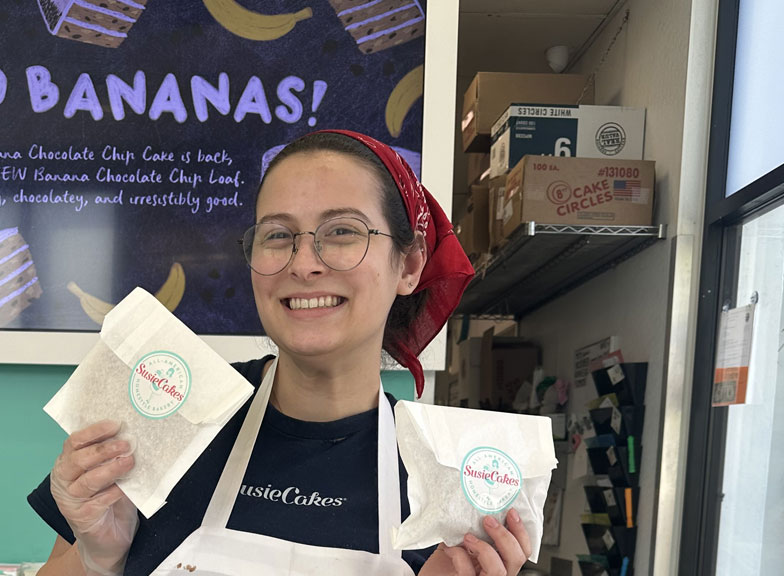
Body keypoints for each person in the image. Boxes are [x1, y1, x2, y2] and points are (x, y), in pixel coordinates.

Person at [28, 130, 532, 575]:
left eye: (341, 231)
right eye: (278, 235)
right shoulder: (168, 410)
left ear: (410, 264)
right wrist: (99, 561)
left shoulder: (450, 479)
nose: (304, 263)